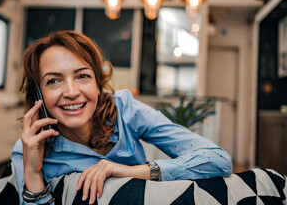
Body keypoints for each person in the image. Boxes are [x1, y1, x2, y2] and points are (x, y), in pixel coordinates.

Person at [12, 30, 232, 204]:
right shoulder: (29, 149)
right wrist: (33, 173)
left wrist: (124, 171)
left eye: (82, 76)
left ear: (98, 85)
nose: (70, 92)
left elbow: (218, 160)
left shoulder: (125, 110)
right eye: (53, 81)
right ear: (38, 94)